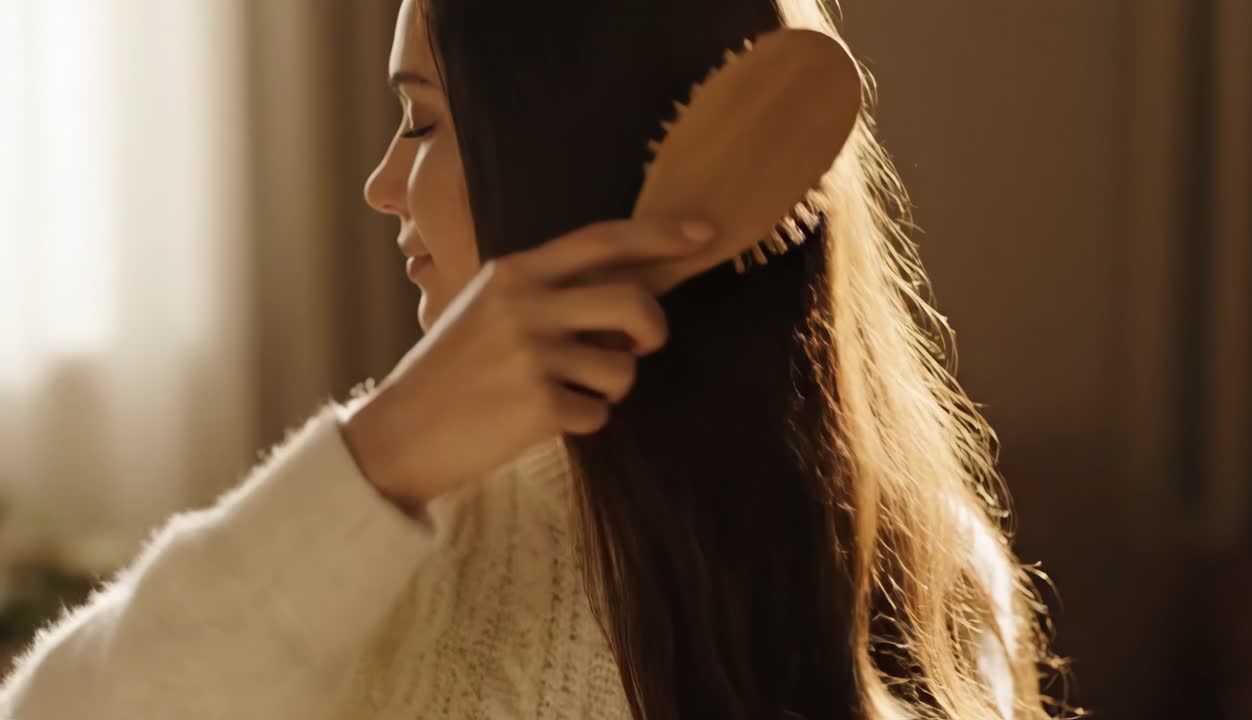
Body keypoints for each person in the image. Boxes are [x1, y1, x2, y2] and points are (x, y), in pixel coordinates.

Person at [0, 0, 1059, 718]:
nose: (379, 184)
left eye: (420, 121)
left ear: (563, 152)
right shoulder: (385, 523)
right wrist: (386, 452)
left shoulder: (925, 567)